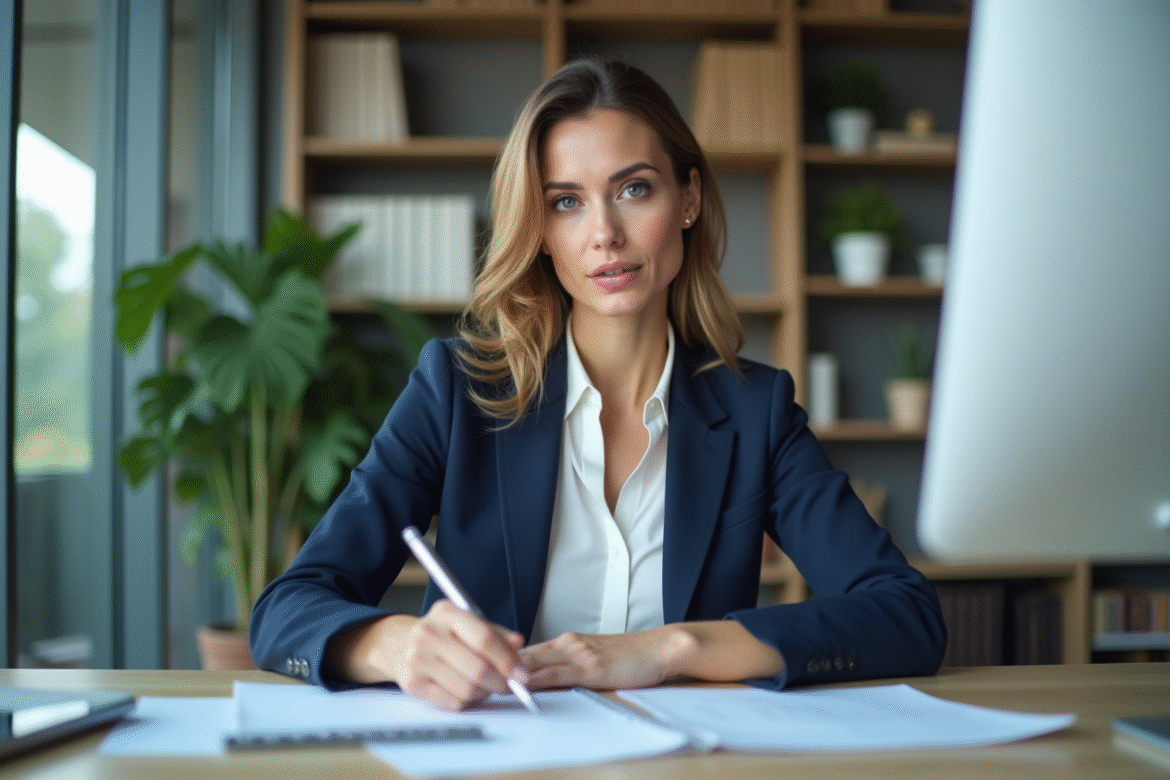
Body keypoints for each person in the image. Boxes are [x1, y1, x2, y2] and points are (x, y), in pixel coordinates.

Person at [250, 58, 946, 712]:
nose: (604, 234)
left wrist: (675, 648)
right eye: (565, 203)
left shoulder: (755, 412)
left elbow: (906, 613)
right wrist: (399, 646)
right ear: (540, 231)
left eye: (633, 189)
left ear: (689, 199)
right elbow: (288, 608)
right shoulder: (457, 391)